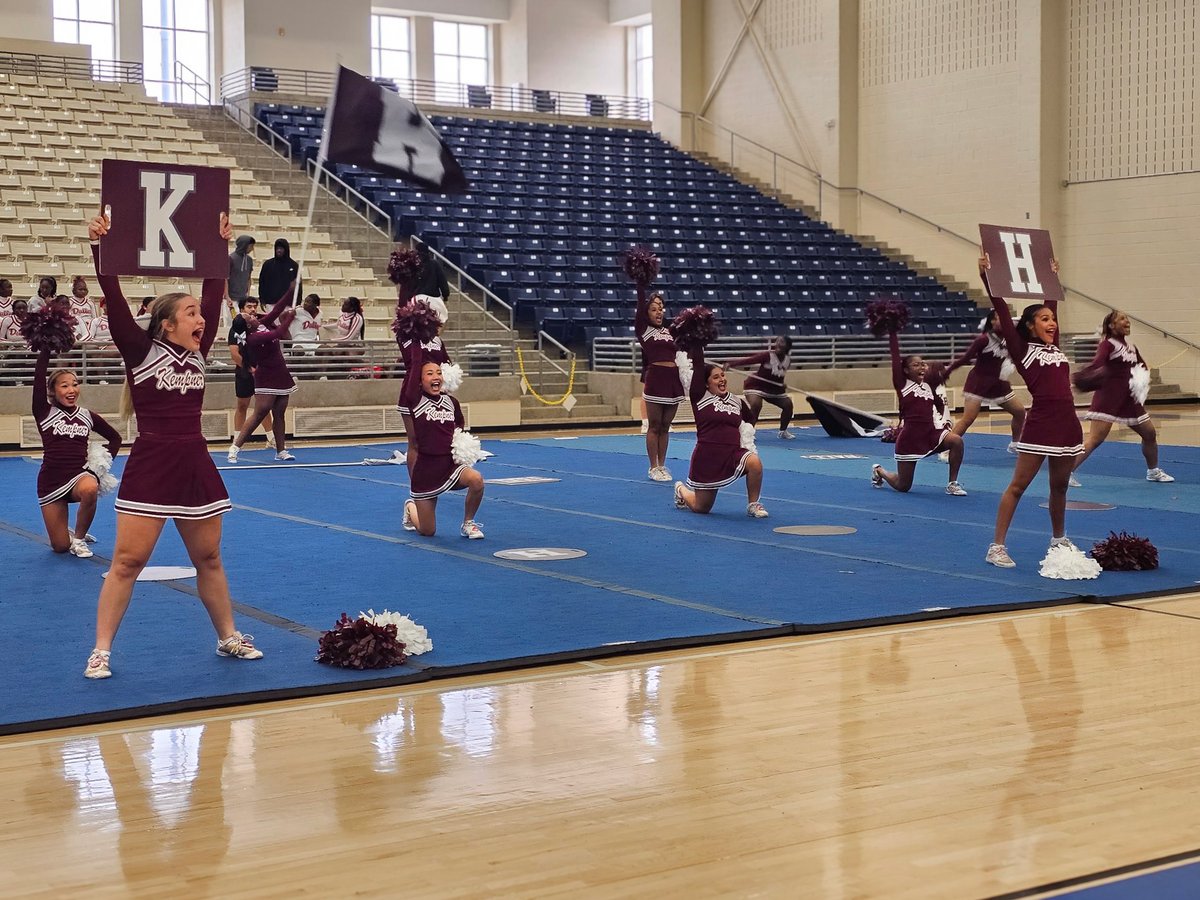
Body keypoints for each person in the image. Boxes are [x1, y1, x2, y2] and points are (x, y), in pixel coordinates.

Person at [83, 211, 264, 680]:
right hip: (153, 462)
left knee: (208, 558)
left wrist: (218, 245)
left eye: (201, 314)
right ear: (166, 325)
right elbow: (116, 298)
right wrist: (100, 247)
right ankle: (101, 650)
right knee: (127, 561)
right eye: (191, 314)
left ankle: (228, 636)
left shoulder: (199, 354)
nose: (201, 318)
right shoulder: (140, 350)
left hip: (194, 463)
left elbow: (212, 287)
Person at [981, 255, 1083, 568]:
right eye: (1044, 319)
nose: (1052, 323)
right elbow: (1000, 308)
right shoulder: (1021, 348)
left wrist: (1052, 279)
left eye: (1053, 319)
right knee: (1018, 486)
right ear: (1029, 326)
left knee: (1060, 486)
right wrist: (987, 276)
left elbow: (1052, 307)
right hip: (1041, 424)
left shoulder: (1055, 347)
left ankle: (1058, 538)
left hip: (1068, 424)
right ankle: (996, 546)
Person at [32, 347, 123, 558]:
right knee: (60, 547)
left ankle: (80, 540)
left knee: (91, 487)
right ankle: (69, 535)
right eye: (64, 386)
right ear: (53, 390)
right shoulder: (44, 412)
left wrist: (98, 469)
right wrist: (45, 347)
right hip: (50, 482)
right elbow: (38, 376)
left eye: (75, 384)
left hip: (79, 476)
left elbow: (115, 438)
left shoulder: (87, 416)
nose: (71, 390)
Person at [1072, 310, 1174, 483]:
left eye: (1127, 319)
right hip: (1109, 399)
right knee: (1095, 439)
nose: (1127, 321)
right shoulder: (1108, 344)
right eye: (1122, 319)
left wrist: (1141, 379)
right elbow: (1097, 364)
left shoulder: (1131, 347)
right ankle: (1066, 472)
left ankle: (1153, 471)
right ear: (1112, 326)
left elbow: (1142, 366)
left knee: (1149, 433)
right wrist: (1084, 376)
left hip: (1129, 400)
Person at [399, 341, 485, 539]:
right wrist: (414, 334)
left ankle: (468, 523)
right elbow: (414, 366)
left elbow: (459, 429)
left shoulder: (451, 402)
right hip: (426, 472)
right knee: (428, 531)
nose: (435, 376)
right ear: (419, 381)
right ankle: (411, 507)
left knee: (477, 480)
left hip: (449, 465)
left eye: (438, 372)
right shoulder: (415, 400)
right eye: (429, 374)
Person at [672, 343, 768, 517]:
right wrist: (697, 340)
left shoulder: (736, 401)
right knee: (702, 508)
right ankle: (681, 490)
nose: (722, 379)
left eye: (723, 375)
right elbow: (699, 365)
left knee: (755, 463)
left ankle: (753, 504)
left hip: (732, 454)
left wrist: (745, 436)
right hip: (707, 458)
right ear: (706, 383)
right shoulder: (700, 397)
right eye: (716, 377)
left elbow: (751, 419)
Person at [870, 331, 967, 495]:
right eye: (916, 365)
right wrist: (892, 332)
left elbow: (940, 407)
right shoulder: (902, 385)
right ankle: (879, 471)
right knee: (903, 486)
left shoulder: (928, 386)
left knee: (956, 441)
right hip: (910, 439)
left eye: (923, 364)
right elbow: (895, 357)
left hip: (930, 434)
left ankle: (953, 484)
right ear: (906, 370)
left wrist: (938, 381)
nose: (921, 367)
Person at [227, 287, 298, 463]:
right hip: (266, 375)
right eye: (249, 317)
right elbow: (279, 333)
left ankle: (281, 450)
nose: (253, 315)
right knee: (260, 413)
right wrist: (290, 318)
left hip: (280, 372)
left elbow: (276, 309)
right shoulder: (253, 338)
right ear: (248, 325)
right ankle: (235, 448)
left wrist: (290, 290)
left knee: (280, 412)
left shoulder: (262, 323)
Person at [946, 310, 1026, 450]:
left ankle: (1014, 444)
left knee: (1019, 412)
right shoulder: (983, 339)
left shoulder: (1009, 337)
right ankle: (946, 448)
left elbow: (1024, 321)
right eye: (998, 318)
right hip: (978, 383)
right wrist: (947, 371)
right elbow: (965, 358)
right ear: (992, 322)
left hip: (998, 384)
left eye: (1004, 318)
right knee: (968, 419)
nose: (1002, 320)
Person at [395, 305, 451, 472]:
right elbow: (414, 361)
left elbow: (446, 364)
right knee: (415, 442)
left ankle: (436, 478)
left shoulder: (437, 341)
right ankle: (416, 488)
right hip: (413, 393)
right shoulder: (406, 337)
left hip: (434, 394)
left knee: (436, 439)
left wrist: (446, 388)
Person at [636, 289, 682, 481]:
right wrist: (641, 282)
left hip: (673, 380)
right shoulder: (644, 330)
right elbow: (639, 305)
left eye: (661, 308)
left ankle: (662, 465)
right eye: (654, 309)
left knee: (665, 426)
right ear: (647, 313)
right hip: (656, 380)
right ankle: (652, 467)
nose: (658, 312)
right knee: (654, 426)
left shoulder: (671, 331)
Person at [726, 335, 797, 439]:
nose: (777, 344)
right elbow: (749, 360)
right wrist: (731, 364)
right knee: (756, 404)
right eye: (777, 342)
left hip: (773, 389)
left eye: (781, 342)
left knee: (788, 405)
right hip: (755, 385)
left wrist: (782, 385)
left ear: (787, 346)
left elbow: (779, 377)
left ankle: (783, 432)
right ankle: (748, 433)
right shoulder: (767, 355)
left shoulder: (788, 360)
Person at [227, 297, 274, 448]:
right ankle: (237, 440)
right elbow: (234, 354)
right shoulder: (235, 329)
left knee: (264, 406)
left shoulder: (261, 326)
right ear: (241, 310)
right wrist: (250, 369)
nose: (253, 309)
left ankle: (271, 438)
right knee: (242, 405)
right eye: (249, 307)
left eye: (255, 306)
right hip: (244, 372)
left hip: (261, 371)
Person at [411, 241, 450, 322]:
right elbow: (442, 282)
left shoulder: (413, 265)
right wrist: (445, 297)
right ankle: (437, 335)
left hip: (417, 298)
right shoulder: (435, 264)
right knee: (443, 320)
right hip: (433, 298)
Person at [258, 237, 300, 312]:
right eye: (277, 248)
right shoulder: (268, 264)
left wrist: (297, 302)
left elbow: (298, 286)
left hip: (288, 305)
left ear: (286, 250)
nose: (279, 250)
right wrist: (262, 300)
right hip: (271, 303)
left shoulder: (294, 266)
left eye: (281, 248)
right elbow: (262, 283)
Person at [226, 235, 256, 310]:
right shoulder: (230, 258)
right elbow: (225, 279)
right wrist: (227, 296)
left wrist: (248, 294)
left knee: (241, 321)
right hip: (231, 299)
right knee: (231, 320)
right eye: (251, 246)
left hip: (243, 299)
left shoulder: (249, 260)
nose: (252, 249)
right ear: (244, 245)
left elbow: (248, 278)